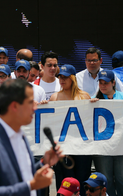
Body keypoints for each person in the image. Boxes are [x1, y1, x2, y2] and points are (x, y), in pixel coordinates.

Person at [0, 79, 63, 196]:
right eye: (30, 103)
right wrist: (32, 186)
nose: (35, 107)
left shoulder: (20, 135)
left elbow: (20, 176)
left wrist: (44, 163)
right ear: (14, 106)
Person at [49, 64, 90, 196]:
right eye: (60, 77)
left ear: (72, 78)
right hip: (63, 147)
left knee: (82, 179)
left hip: (82, 147)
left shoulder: (84, 96)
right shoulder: (55, 97)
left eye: (65, 77)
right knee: (64, 180)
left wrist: (96, 104)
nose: (62, 80)